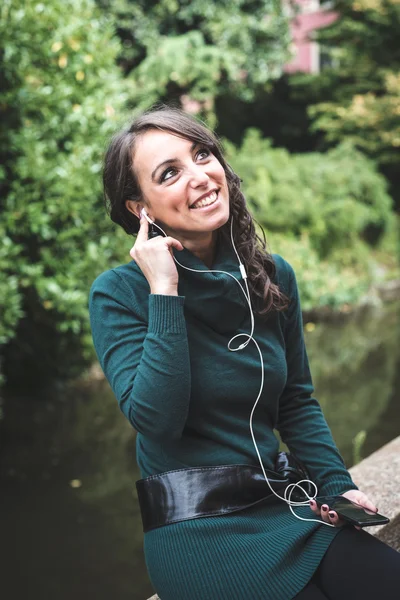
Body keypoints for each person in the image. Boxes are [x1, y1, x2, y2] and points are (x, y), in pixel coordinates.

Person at [89, 106, 399, 600]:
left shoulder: (273, 276)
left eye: (202, 155)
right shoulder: (119, 294)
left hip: (285, 506)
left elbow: (296, 400)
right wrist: (164, 291)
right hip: (197, 532)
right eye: (170, 173)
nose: (200, 176)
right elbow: (156, 418)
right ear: (138, 207)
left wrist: (337, 485)